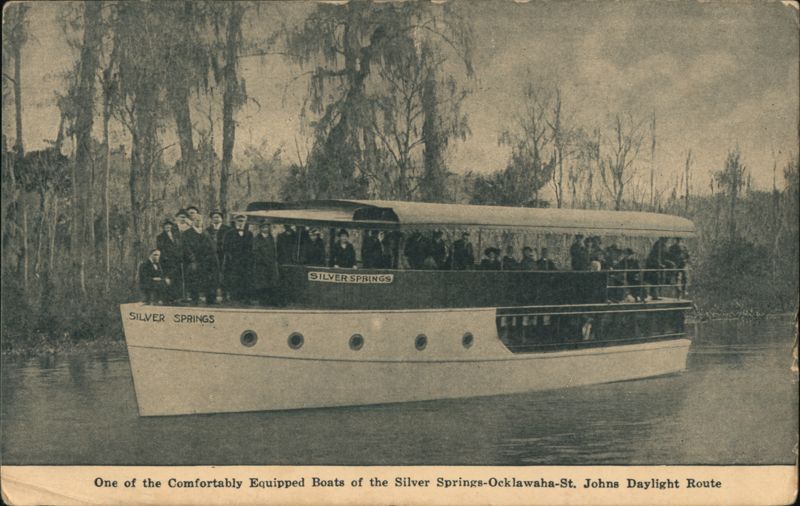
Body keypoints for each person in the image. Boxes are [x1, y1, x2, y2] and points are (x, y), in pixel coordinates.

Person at [222, 213, 254, 302]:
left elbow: (251, 247)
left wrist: (248, 258)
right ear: (235, 221)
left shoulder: (249, 234)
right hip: (233, 261)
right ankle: (234, 297)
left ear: (245, 222)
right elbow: (225, 247)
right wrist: (230, 257)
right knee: (234, 278)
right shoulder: (229, 234)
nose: (241, 223)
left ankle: (245, 297)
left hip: (245, 261)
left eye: (242, 221)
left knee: (245, 278)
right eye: (239, 221)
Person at [252, 221, 279, 305]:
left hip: (271, 265)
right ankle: (262, 301)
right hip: (261, 265)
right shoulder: (257, 239)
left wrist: (273, 260)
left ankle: (270, 300)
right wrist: (263, 260)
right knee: (262, 283)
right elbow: (255, 252)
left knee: (272, 282)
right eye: (263, 227)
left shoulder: (271, 238)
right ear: (260, 229)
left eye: (267, 227)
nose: (265, 229)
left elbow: (274, 251)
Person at [156, 219, 181, 302]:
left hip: (176, 260)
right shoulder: (160, 237)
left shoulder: (176, 235)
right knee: (168, 277)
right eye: (166, 226)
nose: (168, 227)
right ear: (163, 227)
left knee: (176, 278)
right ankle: (167, 297)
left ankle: (175, 297)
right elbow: (160, 248)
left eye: (169, 225)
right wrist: (166, 257)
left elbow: (179, 247)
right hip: (166, 261)